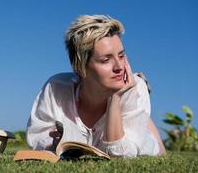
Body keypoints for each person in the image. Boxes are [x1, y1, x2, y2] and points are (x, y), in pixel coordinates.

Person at [26, 15, 166, 158]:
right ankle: (138, 114)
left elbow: (121, 154)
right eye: (106, 60)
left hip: (140, 139)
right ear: (80, 68)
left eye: (122, 56)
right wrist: (52, 143)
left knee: (159, 149)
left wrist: (115, 96)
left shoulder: (134, 88)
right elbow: (36, 136)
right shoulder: (56, 87)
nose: (119, 67)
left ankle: (141, 117)